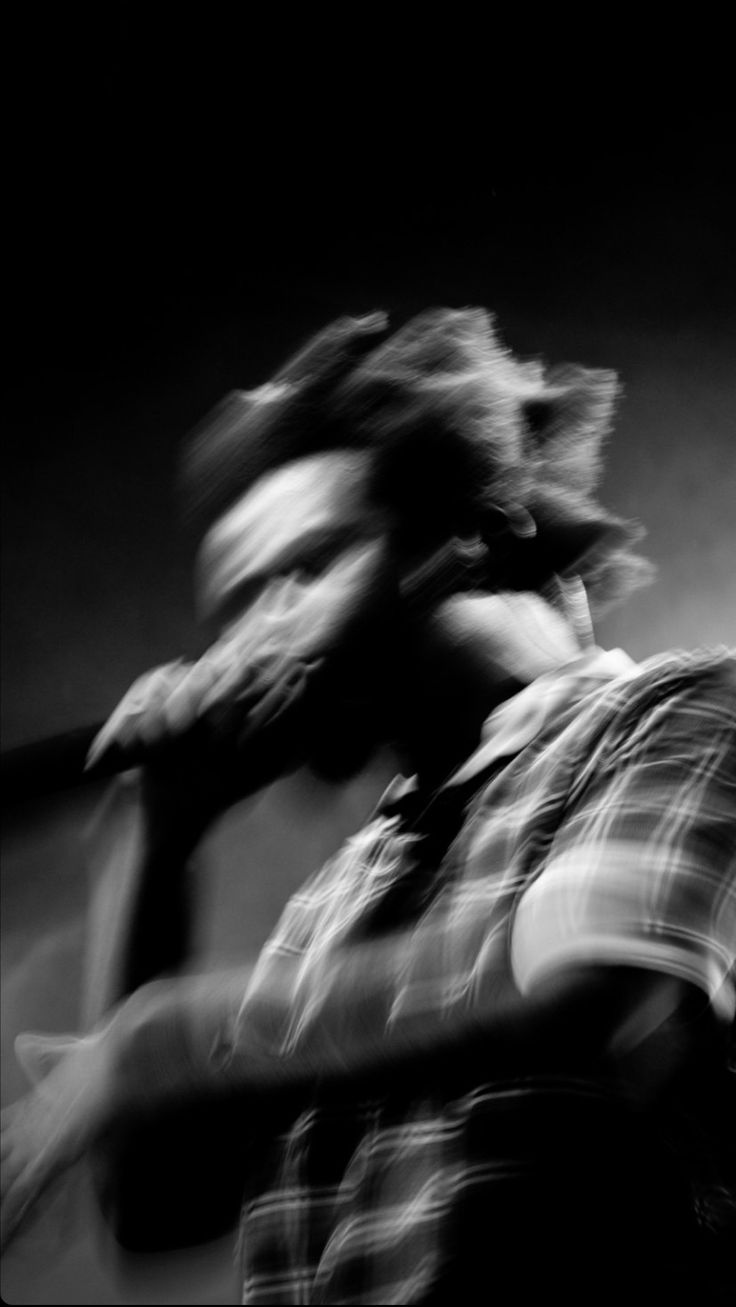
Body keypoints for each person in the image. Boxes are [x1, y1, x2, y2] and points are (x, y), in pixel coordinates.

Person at [2, 309, 734, 1304]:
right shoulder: (338, 898)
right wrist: (156, 837)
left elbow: (592, 990)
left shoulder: (678, 711)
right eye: (237, 607)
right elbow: (161, 1205)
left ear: (472, 539)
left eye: (302, 571)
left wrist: (162, 1038)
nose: (248, 644)